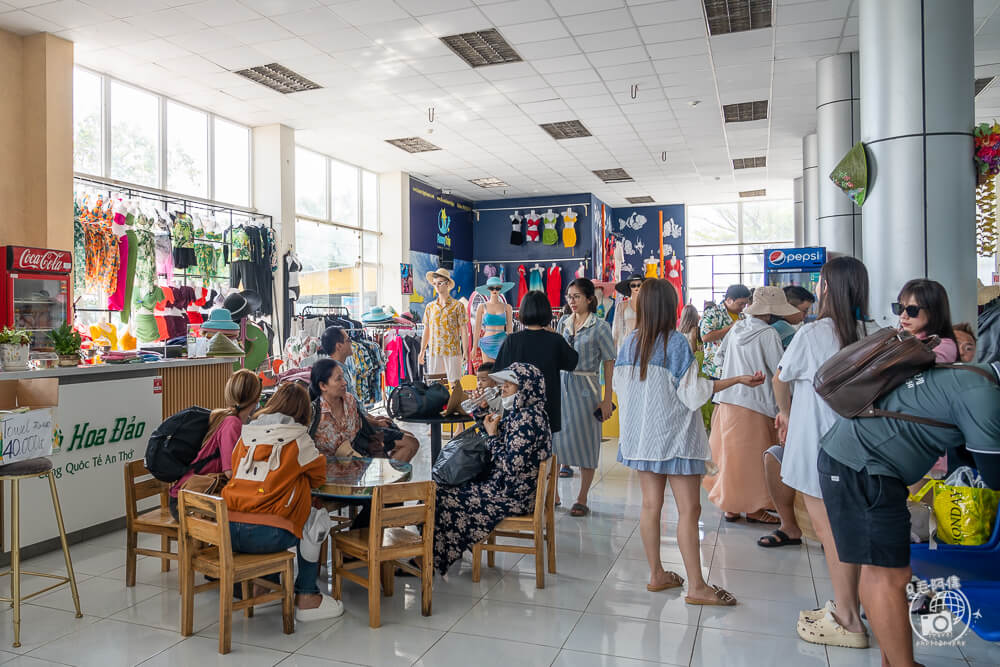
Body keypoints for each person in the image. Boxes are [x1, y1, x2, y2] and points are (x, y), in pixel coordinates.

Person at [818, 362, 1000, 667]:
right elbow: (994, 476)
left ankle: (895, 663)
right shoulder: (983, 396)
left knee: (883, 572)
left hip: (862, 464)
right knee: (888, 576)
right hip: (862, 467)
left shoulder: (969, 373)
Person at [616, 279, 764, 605]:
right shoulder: (677, 343)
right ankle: (696, 586)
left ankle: (656, 574)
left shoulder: (629, 344)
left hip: (641, 440)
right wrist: (737, 380)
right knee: (689, 509)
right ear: (670, 307)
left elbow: (621, 391)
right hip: (676, 438)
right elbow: (694, 395)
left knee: (650, 506)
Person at [774, 256, 878, 648]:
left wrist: (784, 414)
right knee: (851, 530)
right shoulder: (876, 332)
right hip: (864, 447)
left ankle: (848, 618)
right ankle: (847, 604)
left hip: (817, 446)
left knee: (832, 535)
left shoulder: (814, 334)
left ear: (826, 289)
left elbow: (780, 379)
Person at [221, 382, 344, 621]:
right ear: (303, 411)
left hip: (228, 531)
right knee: (314, 516)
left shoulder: (246, 434)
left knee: (268, 502)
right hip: (268, 535)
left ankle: (262, 584)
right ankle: (308, 596)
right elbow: (318, 477)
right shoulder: (298, 438)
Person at [434, 363, 552, 574]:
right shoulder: (527, 413)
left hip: (512, 495)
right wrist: (482, 413)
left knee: (443, 495)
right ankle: (442, 553)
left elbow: (510, 466)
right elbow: (499, 437)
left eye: (510, 384)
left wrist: (491, 436)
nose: (503, 388)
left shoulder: (526, 420)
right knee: (443, 491)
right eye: (504, 383)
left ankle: (432, 557)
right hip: (511, 488)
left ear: (526, 388)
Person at [704, 286, 798, 524]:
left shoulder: (736, 329)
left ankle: (732, 507)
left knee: (730, 457)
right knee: (754, 459)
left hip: (727, 401)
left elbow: (718, 357)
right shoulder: (767, 334)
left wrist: (735, 372)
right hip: (755, 403)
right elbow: (779, 369)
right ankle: (754, 508)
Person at [494, 290, 579, 477]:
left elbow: (498, 374)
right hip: (546, 409)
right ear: (547, 312)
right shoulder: (555, 340)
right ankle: (550, 497)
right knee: (547, 455)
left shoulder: (512, 341)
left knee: (518, 456)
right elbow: (572, 362)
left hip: (517, 411)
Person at [554, 279, 615, 516]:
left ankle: (582, 497)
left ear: (589, 299)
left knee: (587, 440)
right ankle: (555, 493)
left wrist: (607, 397)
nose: (571, 301)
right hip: (561, 385)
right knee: (556, 440)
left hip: (586, 386)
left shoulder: (600, 327)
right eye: (569, 296)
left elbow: (609, 362)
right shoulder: (563, 323)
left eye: (577, 296)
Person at [168, 369, 262, 520]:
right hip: (188, 501)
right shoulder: (232, 423)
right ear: (256, 398)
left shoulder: (227, 418)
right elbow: (231, 472)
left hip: (196, 493)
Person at [308, 359, 419, 462]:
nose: (344, 382)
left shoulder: (349, 399)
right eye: (338, 379)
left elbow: (360, 421)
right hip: (335, 465)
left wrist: (375, 421)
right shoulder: (313, 414)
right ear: (323, 386)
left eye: (343, 377)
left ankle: (387, 479)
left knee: (411, 443)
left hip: (360, 446)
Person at [419, 268, 468, 383]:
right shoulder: (430, 307)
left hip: (452, 352)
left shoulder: (458, 306)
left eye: (440, 283)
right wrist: (422, 350)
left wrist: (465, 350)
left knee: (455, 384)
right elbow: (426, 330)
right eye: (434, 283)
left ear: (447, 284)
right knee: (436, 385)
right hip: (434, 351)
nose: (437, 286)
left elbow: (463, 330)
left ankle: (455, 402)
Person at [894, 278, 958, 363]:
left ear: (933, 311)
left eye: (912, 310)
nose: (903, 316)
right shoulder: (895, 336)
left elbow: (912, 366)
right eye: (900, 307)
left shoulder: (944, 346)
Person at [699, 284, 751, 378]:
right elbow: (705, 337)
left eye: (745, 304)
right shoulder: (713, 313)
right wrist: (730, 327)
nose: (743, 307)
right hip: (718, 369)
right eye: (740, 304)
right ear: (729, 300)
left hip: (737, 366)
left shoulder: (742, 316)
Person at [472, 276, 514, 363]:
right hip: (487, 343)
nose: (494, 290)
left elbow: (510, 329)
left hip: (502, 342)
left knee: (502, 372)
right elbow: (477, 329)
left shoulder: (507, 307)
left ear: (501, 289)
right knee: (487, 373)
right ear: (488, 289)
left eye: (497, 288)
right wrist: (474, 347)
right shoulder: (482, 307)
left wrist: (512, 346)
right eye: (492, 288)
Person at [318, 326, 358, 398]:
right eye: (348, 340)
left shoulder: (341, 367)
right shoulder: (333, 373)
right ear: (339, 346)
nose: (351, 342)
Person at [612, 272, 644, 349]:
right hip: (626, 345)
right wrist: (613, 352)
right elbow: (616, 330)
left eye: (639, 285)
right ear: (629, 287)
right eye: (633, 285)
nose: (636, 287)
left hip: (643, 345)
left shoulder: (648, 305)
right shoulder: (622, 305)